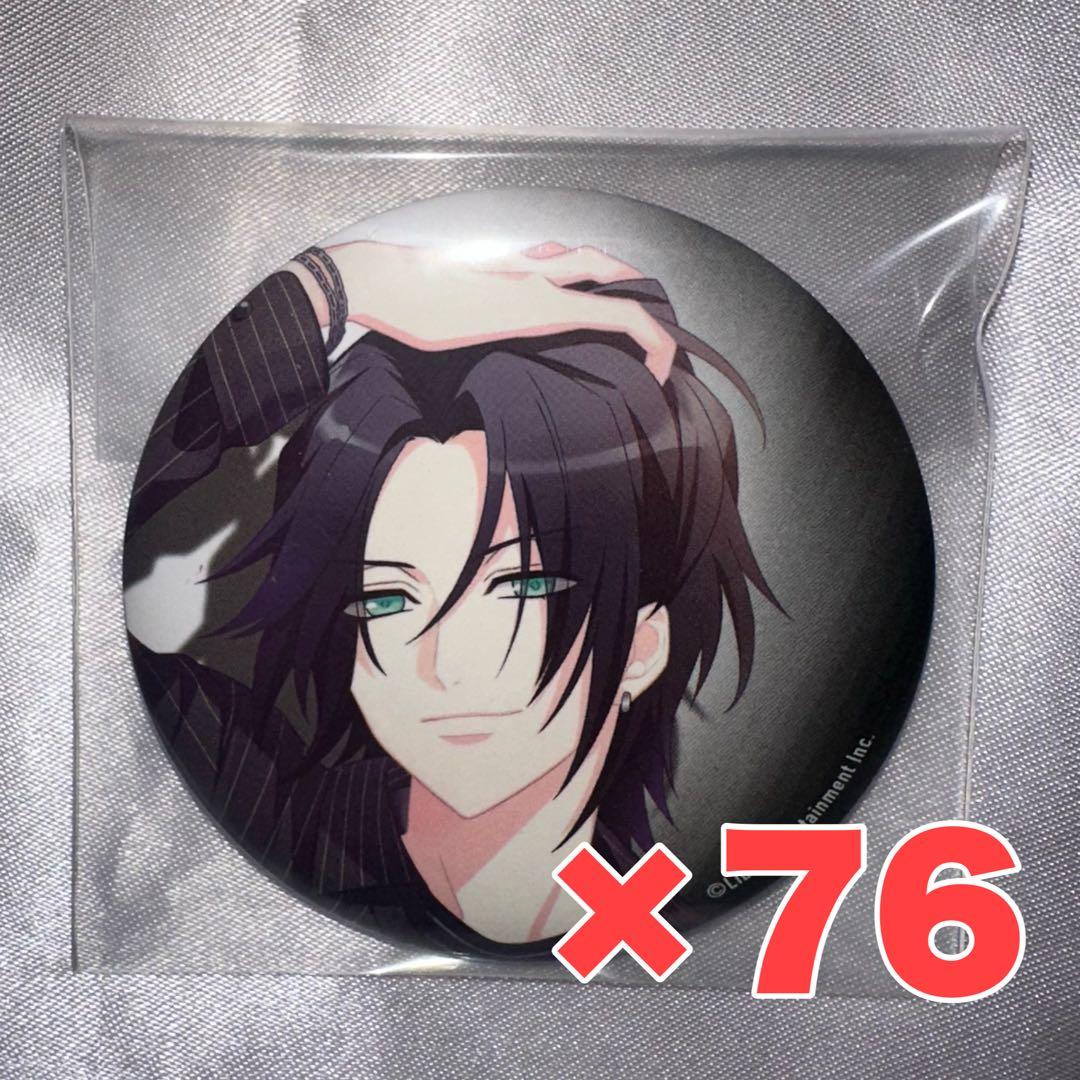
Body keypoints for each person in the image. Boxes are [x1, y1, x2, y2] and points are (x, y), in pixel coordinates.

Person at [124, 239, 777, 956]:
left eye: (521, 587)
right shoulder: (274, 808)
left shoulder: (703, 905)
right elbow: (101, 551)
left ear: (642, 645)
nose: (443, 667)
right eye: (387, 600)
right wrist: (341, 284)